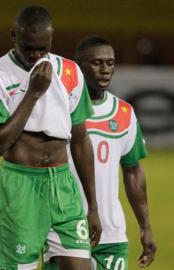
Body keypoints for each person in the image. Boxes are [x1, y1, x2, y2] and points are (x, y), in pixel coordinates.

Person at [0, 5, 102, 270]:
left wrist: (93, 205)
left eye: (42, 48)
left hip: (62, 185)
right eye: (28, 48)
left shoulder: (70, 73)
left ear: (52, 38)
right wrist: (33, 92)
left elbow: (80, 141)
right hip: (20, 185)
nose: (35, 55)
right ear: (13, 36)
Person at [43, 36, 157, 269]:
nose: (105, 70)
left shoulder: (124, 112)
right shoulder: (59, 111)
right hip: (64, 226)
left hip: (112, 233)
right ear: (79, 66)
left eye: (110, 63)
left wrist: (145, 226)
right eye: (96, 63)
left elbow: (133, 171)